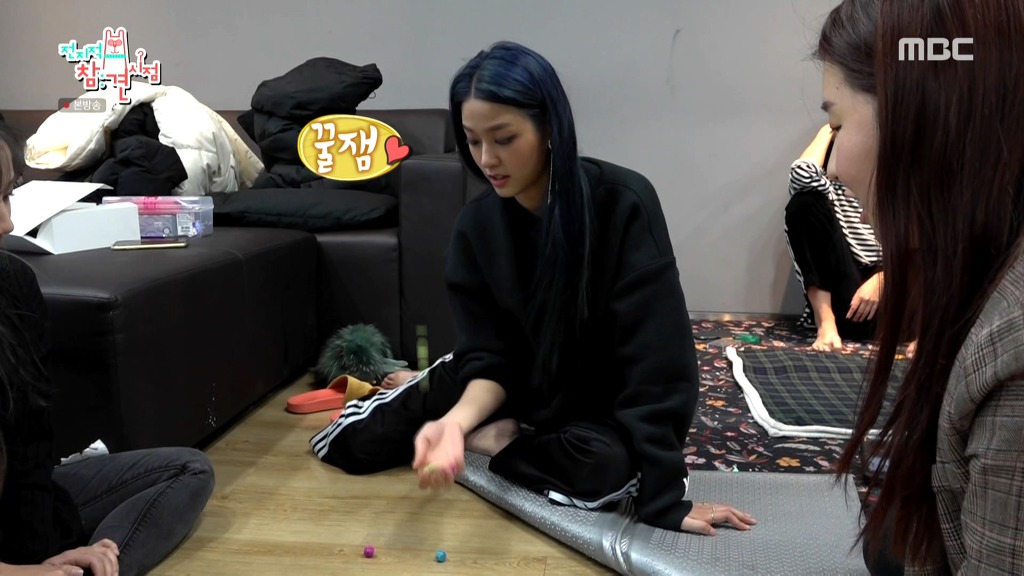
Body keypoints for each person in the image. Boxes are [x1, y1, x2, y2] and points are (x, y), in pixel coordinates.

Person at [311, 41, 756, 536]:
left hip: (593, 403)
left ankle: (499, 442)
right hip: (502, 382)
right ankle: (440, 400)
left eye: (504, 138)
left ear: (549, 128)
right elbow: (491, 357)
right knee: (350, 445)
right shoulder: (477, 228)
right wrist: (454, 424)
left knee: (608, 472)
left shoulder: (623, 204)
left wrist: (666, 498)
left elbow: (658, 363)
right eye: (472, 141)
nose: (487, 159)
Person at [817, 0, 1024, 574]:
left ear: (921, 120)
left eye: (838, 125)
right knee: (892, 539)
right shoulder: (985, 276)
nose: (833, 167)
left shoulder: (1012, 350)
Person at [0, 121, 216, 576]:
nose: (8, 223)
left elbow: (32, 447)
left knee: (189, 469)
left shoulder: (13, 284)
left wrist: (47, 557)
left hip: (23, 517)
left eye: (7, 196)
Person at [784, 123, 885, 352]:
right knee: (803, 204)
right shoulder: (827, 189)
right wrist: (831, 127)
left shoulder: (894, 183)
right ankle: (826, 324)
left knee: (938, 229)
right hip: (846, 299)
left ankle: (926, 334)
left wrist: (884, 279)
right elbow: (802, 175)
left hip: (894, 294)